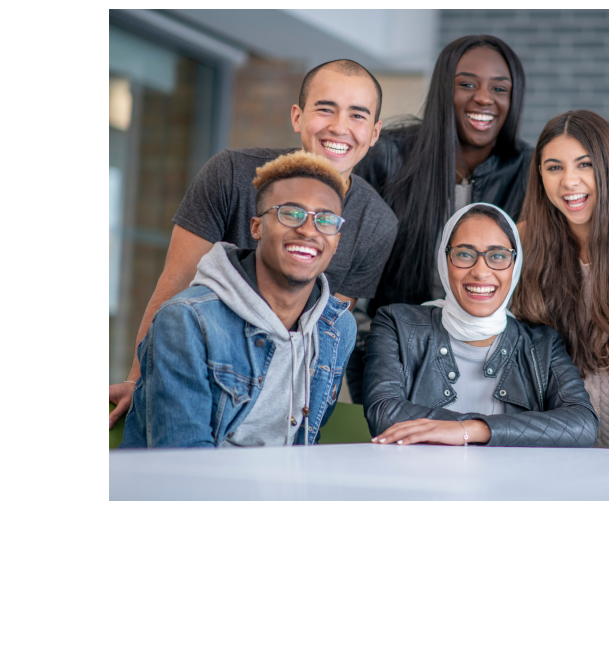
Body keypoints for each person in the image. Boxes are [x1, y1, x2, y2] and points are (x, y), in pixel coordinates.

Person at [109, 58, 397, 426]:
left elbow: (318, 333)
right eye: (326, 109)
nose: (339, 128)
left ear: (374, 133)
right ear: (297, 116)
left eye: (358, 116)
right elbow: (175, 284)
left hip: (274, 410)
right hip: (192, 379)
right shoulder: (229, 173)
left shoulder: (377, 223)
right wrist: (137, 378)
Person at [121, 151, 356, 448]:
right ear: (256, 227)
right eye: (291, 213)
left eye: (326, 219)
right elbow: (184, 466)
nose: (309, 230)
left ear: (337, 238)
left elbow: (304, 445)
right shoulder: (186, 321)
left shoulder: (336, 328)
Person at [362, 203, 598, 447]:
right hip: (422, 481)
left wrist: (473, 430)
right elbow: (384, 413)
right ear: (445, 260)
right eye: (465, 254)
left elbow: (583, 425)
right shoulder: (397, 325)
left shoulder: (542, 344)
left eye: (498, 256)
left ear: (515, 266)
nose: (481, 271)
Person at [512, 110, 609, 447]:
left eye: (584, 164)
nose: (569, 181)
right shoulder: (521, 241)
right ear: (539, 174)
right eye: (554, 167)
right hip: (557, 451)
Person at [354, 35, 533, 310]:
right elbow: (350, 257)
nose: (484, 98)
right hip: (396, 337)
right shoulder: (387, 155)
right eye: (467, 84)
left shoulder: (530, 170)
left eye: (499, 89)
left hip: (489, 342)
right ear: (443, 90)